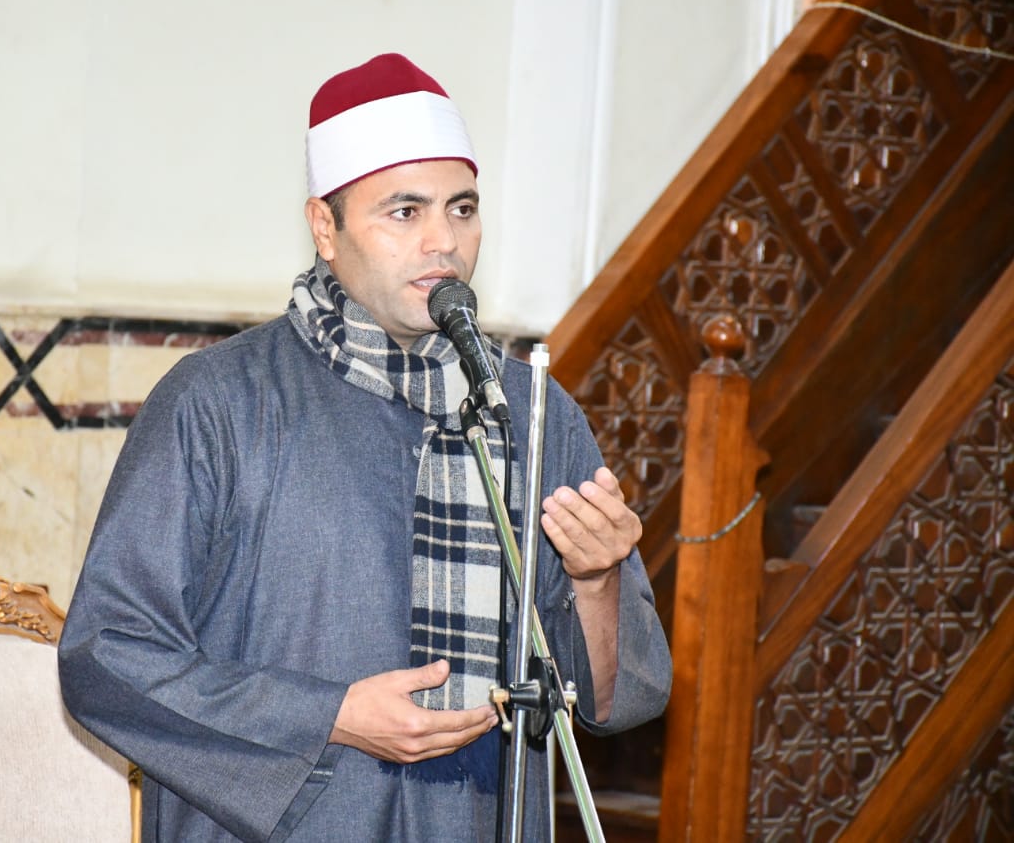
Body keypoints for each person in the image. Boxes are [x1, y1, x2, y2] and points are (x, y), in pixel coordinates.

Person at [59, 53, 671, 842]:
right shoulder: (218, 402)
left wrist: (595, 580)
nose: (444, 241)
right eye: (405, 212)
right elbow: (106, 656)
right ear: (326, 227)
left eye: (462, 208)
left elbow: (618, 699)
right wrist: (331, 714)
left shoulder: (528, 412)